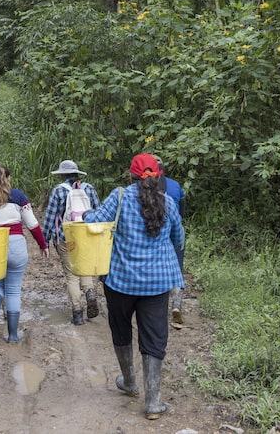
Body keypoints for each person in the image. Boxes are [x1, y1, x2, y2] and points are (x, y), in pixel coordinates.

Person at [82, 153, 184, 420]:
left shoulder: (118, 198)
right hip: (157, 283)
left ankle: (129, 382)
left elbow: (93, 223)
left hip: (120, 281)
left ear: (131, 175)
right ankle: (153, 402)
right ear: (159, 175)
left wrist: (87, 212)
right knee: (154, 337)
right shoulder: (169, 203)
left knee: (121, 329)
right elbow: (178, 239)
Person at [0, 164, 49, 342]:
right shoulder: (18, 196)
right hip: (16, 245)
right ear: (8, 178)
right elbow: (32, 224)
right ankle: (13, 336)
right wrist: (42, 244)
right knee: (14, 291)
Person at [41, 160, 101, 325]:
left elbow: (50, 218)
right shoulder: (89, 189)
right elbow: (98, 212)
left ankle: (77, 313)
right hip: (86, 236)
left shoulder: (58, 191)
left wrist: (44, 241)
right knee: (85, 267)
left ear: (62, 175)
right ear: (77, 173)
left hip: (66, 237)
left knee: (71, 275)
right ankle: (89, 292)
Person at [153, 155, 187, 329]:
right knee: (177, 267)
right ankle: (176, 304)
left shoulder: (143, 188)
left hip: (155, 233)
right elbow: (182, 210)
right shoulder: (175, 185)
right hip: (174, 231)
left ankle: (156, 307)